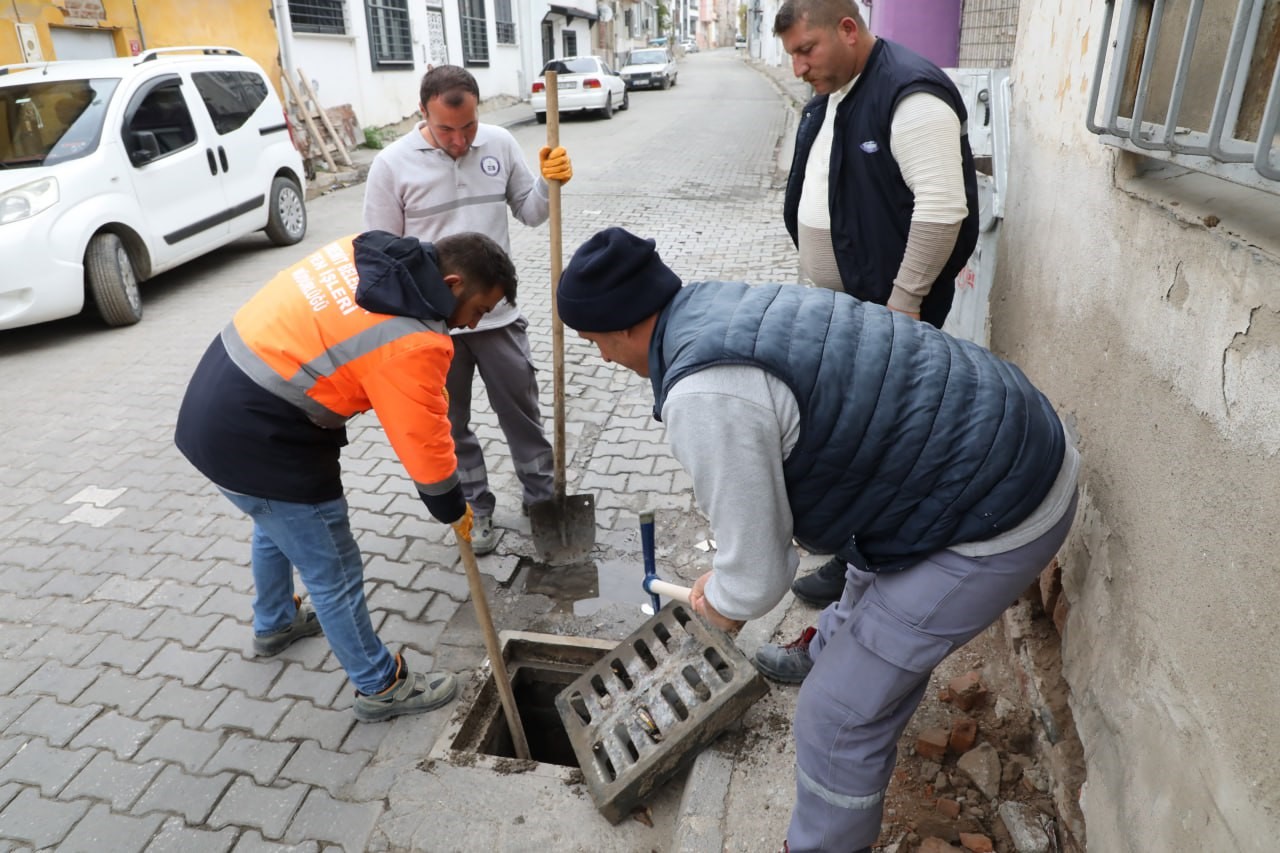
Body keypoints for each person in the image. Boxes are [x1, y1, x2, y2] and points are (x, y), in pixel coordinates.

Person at [556, 227, 1079, 853]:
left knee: (835, 719)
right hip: (991, 440)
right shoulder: (716, 305)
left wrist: (719, 603)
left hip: (1001, 507)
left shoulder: (708, 393)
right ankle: (828, 650)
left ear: (617, 329)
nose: (601, 356)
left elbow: (757, 575)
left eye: (592, 343)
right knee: (863, 570)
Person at [175, 230, 518, 722]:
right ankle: (380, 686)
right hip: (260, 434)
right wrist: (451, 507)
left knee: (273, 518)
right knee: (333, 569)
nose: (471, 324)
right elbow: (422, 441)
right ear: (452, 282)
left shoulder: (369, 250)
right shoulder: (413, 338)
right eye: (479, 310)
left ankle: (275, 622)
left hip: (216, 403)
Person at [777, 0, 982, 608]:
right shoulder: (834, 93)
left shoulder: (909, 94)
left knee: (878, 443)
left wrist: (905, 304)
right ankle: (853, 547)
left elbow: (942, 208)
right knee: (847, 433)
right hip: (849, 310)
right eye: (791, 54)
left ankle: (866, 568)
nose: (797, 68)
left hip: (888, 317)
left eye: (805, 50)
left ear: (848, 29)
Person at [363, 64, 573, 556]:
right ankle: (476, 509)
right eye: (446, 130)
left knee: (523, 417)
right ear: (423, 114)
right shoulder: (391, 165)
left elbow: (533, 212)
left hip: (496, 319)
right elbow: (378, 254)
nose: (460, 141)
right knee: (450, 428)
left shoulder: (499, 144)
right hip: (432, 331)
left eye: (468, 127)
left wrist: (548, 181)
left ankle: (543, 502)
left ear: (480, 112)